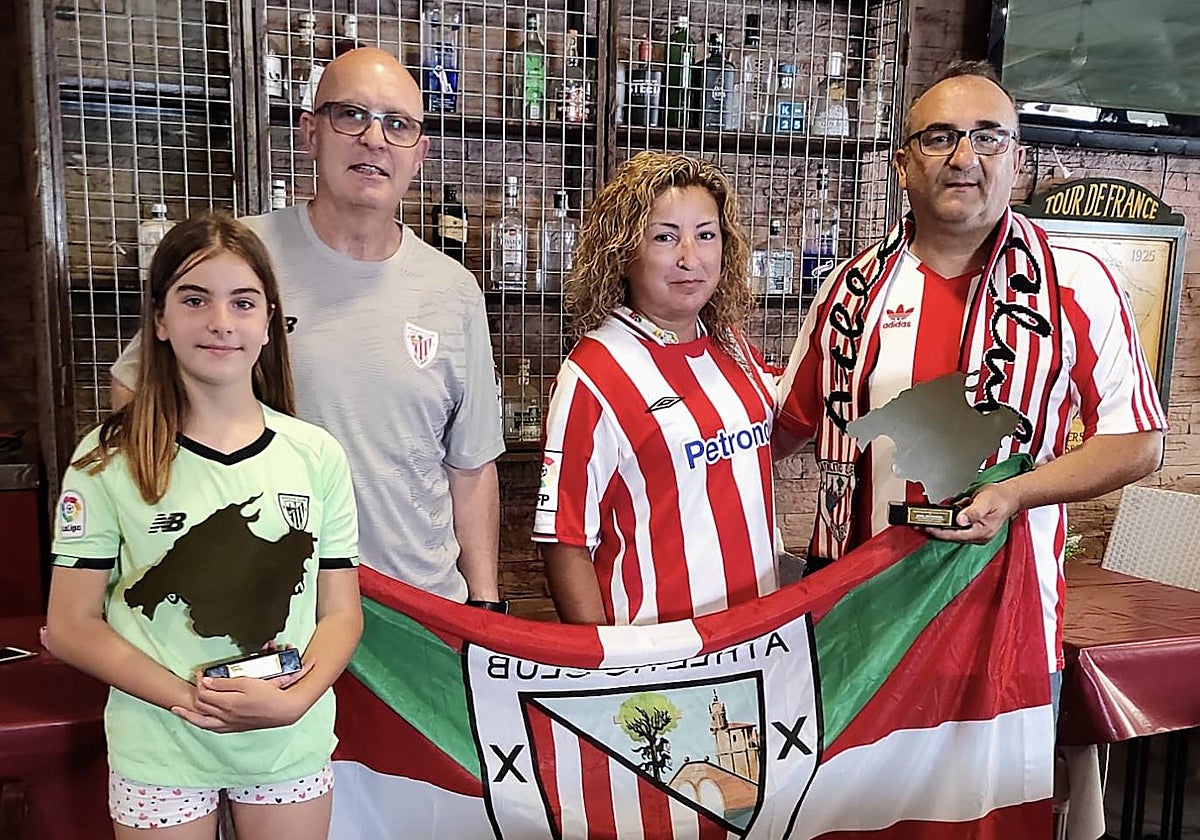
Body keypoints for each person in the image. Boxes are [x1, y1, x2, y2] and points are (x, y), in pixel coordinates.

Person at [775, 61, 1166, 704]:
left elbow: (1136, 442)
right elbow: (782, 429)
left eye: (988, 136)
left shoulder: (1078, 281)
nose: (964, 156)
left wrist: (1015, 494)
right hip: (859, 616)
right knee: (859, 803)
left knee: (993, 804)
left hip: (1004, 621)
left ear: (1017, 159)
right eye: (939, 137)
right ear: (903, 165)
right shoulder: (847, 293)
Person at [110, 48, 506, 609]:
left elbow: (470, 466)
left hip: (420, 606)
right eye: (351, 115)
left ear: (419, 154)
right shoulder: (239, 260)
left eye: (397, 124)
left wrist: (484, 604)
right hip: (268, 604)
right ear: (310, 133)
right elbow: (134, 391)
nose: (374, 139)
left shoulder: (454, 289)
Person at [45, 212, 363, 838]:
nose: (221, 321)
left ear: (269, 323)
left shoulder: (316, 454)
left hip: (285, 747)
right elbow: (70, 623)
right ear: (160, 320)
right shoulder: (105, 460)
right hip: (160, 750)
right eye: (195, 300)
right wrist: (185, 699)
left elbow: (342, 613)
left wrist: (297, 698)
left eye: (242, 302)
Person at [533, 152, 780, 625]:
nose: (691, 258)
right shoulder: (593, 373)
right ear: (623, 253)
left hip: (757, 637)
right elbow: (564, 538)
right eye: (665, 237)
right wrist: (606, 670)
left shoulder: (732, 345)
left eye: (706, 235)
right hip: (659, 655)